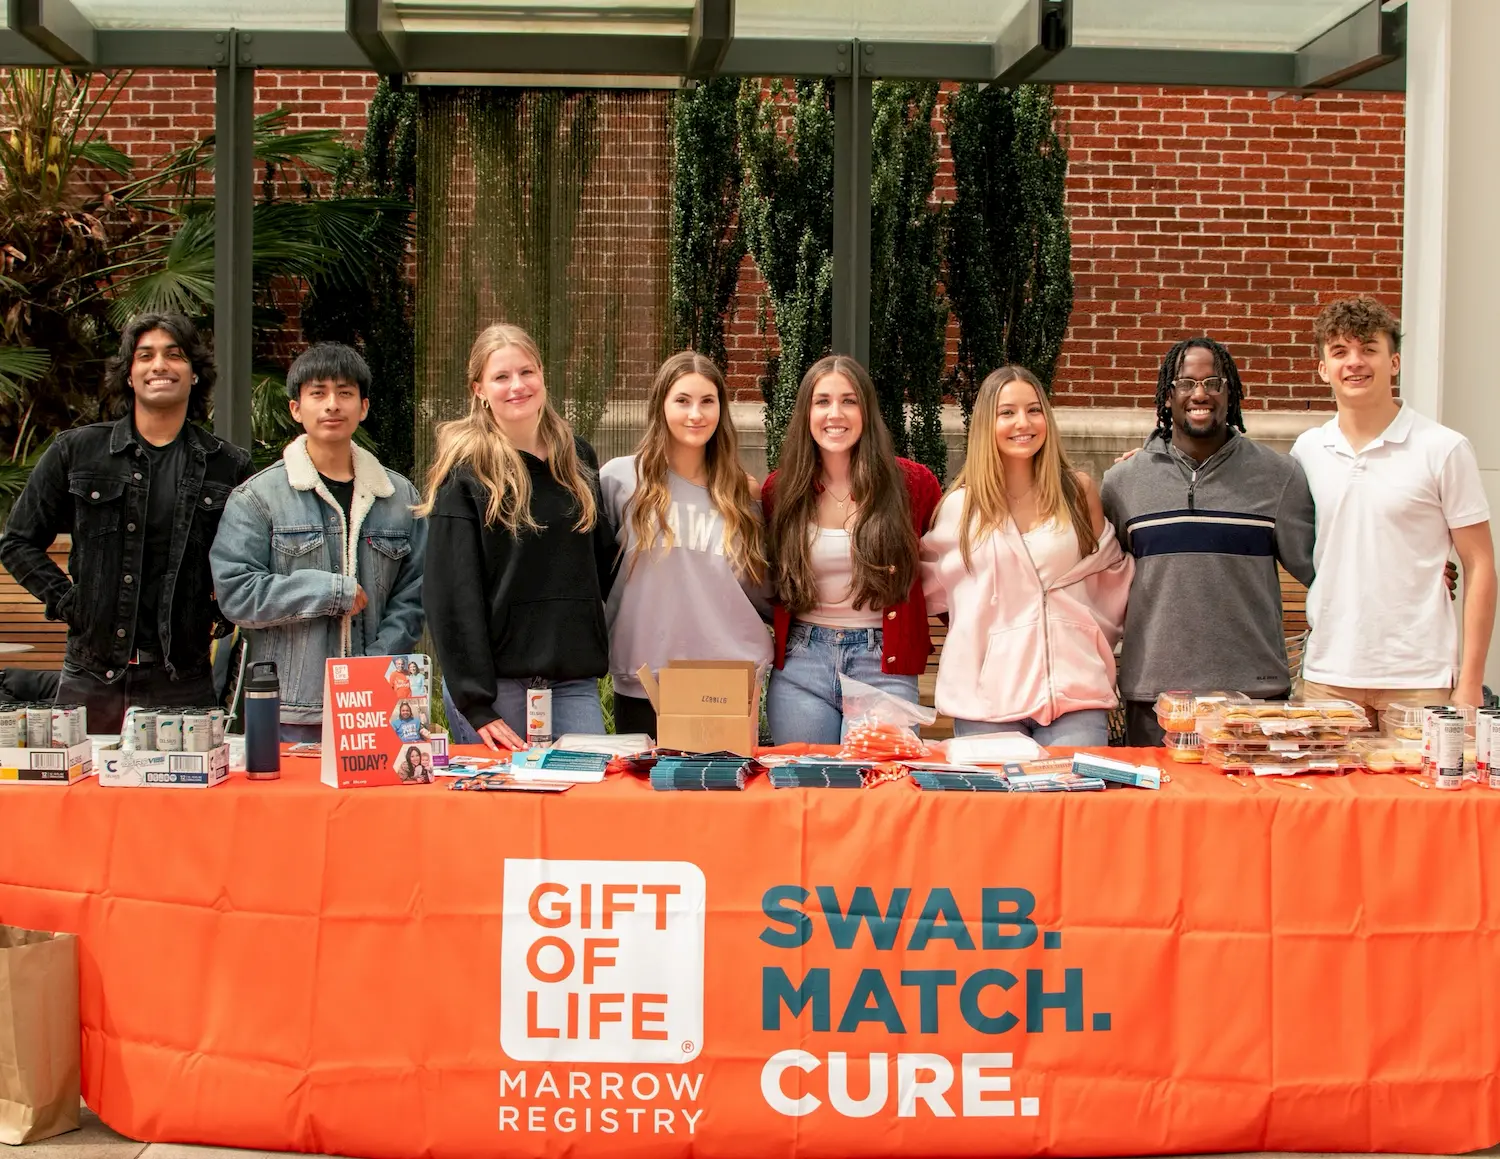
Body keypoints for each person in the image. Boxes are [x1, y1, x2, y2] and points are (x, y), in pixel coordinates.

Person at [0, 313, 252, 734]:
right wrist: (68, 601)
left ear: (194, 375)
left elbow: (247, 559)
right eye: (145, 356)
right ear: (130, 375)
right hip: (91, 678)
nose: (159, 365)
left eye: (174, 355)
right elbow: (18, 541)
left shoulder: (229, 466)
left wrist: (218, 612)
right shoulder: (77, 450)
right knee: (83, 799)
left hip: (183, 681)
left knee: (185, 800)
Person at [1101, 337, 1316, 746]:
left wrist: (1412, 576)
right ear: (1168, 397)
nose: (1200, 393)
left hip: (1254, 697)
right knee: (1161, 811)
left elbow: (1324, 570)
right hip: (1155, 696)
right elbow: (1095, 579)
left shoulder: (1278, 476)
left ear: (1229, 393)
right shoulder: (1123, 483)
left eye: (1213, 382)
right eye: (1186, 383)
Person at [210, 342, 426, 742]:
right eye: (318, 393)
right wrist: (330, 591)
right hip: (290, 708)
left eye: (345, 393)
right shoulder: (258, 497)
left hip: (377, 702)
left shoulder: (400, 497)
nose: (332, 405)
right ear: (296, 408)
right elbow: (236, 593)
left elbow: (416, 593)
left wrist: (376, 666)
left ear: (363, 407)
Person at [1291, 296, 1496, 710]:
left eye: (1369, 349)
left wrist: (1471, 683)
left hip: (1421, 679)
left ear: (1395, 363)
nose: (1355, 362)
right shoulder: (1308, 450)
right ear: (1322, 368)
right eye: (1340, 351)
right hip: (1327, 679)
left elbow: (1481, 564)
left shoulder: (1444, 448)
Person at [420, 323, 615, 751]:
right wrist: (475, 702)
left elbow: (600, 563)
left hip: (572, 681)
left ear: (543, 374)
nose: (517, 386)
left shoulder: (577, 457)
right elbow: (450, 595)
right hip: (496, 687)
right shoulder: (466, 474)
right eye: (501, 377)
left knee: (586, 809)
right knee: (504, 815)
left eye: (527, 372)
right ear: (479, 389)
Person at [922, 366, 1132, 745]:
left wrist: (1082, 639)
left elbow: (1110, 578)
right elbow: (936, 594)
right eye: (1007, 412)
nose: (1024, 422)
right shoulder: (960, 508)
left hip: (1074, 697)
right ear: (988, 422)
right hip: (986, 704)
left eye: (1034, 410)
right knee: (1001, 807)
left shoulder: (1077, 492)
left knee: (1074, 803)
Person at [762, 355, 941, 745]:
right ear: (806, 413)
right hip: (801, 663)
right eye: (822, 401)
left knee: (877, 792)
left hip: (882, 664)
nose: (835, 413)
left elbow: (948, 570)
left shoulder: (912, 485)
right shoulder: (781, 491)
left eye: (849, 400)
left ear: (867, 410)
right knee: (805, 791)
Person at [600, 351, 772, 737]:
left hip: (725, 678)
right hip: (644, 676)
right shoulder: (620, 481)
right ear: (661, 405)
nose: (695, 414)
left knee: (720, 793)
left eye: (707, 401)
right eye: (682, 400)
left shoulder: (741, 493)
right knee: (646, 796)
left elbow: (758, 588)